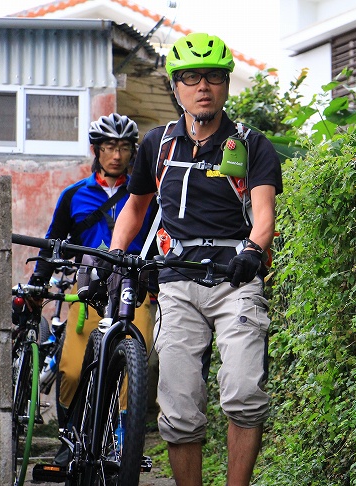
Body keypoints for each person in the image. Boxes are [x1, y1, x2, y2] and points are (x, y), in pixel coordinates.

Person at [107, 32, 282, 486]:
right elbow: (135, 207)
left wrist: (253, 252)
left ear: (225, 85)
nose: (202, 86)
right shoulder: (156, 144)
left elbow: (264, 217)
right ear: (175, 86)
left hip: (235, 279)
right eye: (190, 77)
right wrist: (114, 256)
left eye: (213, 77)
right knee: (180, 405)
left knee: (244, 392)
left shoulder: (251, 144)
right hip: (177, 282)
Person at [28, 113, 155, 464]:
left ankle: (126, 447)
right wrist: (39, 281)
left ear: (133, 152)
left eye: (125, 147)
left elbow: (159, 241)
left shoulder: (146, 194)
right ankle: (70, 440)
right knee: (69, 369)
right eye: (110, 147)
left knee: (137, 365)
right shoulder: (74, 195)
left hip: (134, 288)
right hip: (88, 292)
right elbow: (54, 242)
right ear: (97, 150)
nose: (117, 154)